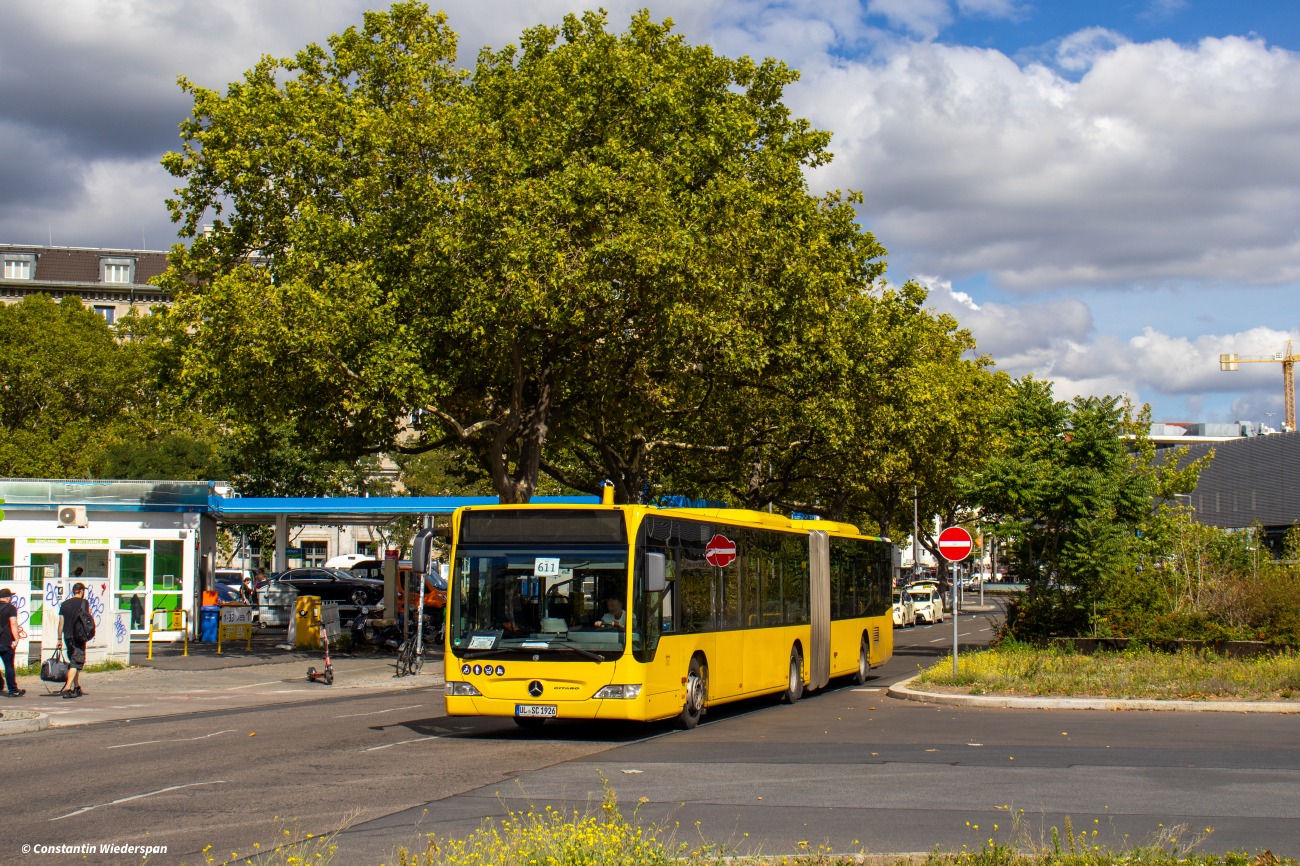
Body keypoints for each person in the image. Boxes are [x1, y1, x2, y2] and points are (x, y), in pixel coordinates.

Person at [57, 583, 90, 699]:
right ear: (81, 591)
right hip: (78, 636)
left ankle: (77, 687)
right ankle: (67, 688)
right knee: (76, 662)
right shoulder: (83, 603)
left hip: (67, 636)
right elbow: (86, 618)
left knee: (73, 661)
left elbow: (61, 623)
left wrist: (59, 639)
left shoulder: (64, 604)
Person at [0, 588, 23, 697]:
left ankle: (0, 685)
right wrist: (16, 639)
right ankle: (13, 690)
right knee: (9, 666)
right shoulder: (11, 608)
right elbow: (13, 624)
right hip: (5, 641)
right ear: (7, 597)